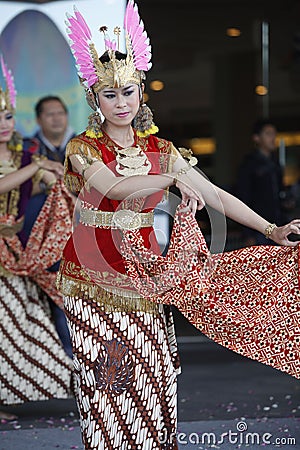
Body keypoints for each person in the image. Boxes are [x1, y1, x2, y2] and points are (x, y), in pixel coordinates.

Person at [56, 2, 300, 449]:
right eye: (110, 95)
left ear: (141, 93)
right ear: (95, 99)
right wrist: (169, 178)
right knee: (110, 372)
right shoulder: (82, 147)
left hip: (145, 273)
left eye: (129, 91)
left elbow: (214, 195)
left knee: (155, 369)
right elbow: (113, 189)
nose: (122, 102)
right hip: (93, 274)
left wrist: (271, 230)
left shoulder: (162, 147)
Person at [0, 56, 73, 420]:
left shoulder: (22, 154)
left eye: (8, 117)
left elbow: (53, 184)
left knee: (18, 320)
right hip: (13, 248)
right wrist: (38, 167)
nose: (3, 124)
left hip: (19, 251)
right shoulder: (30, 156)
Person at [23, 96, 76, 359]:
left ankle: (74, 358)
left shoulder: (82, 146)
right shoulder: (26, 150)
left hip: (78, 236)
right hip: (36, 238)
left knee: (70, 296)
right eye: (49, 114)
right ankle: (55, 360)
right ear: (39, 119)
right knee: (45, 298)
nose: (56, 118)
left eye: (60, 113)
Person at [235, 119, 289, 246]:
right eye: (268, 134)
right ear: (256, 138)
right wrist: (248, 234)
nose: (273, 138)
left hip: (278, 225)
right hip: (258, 228)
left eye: (274, 134)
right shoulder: (249, 164)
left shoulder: (275, 164)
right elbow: (243, 198)